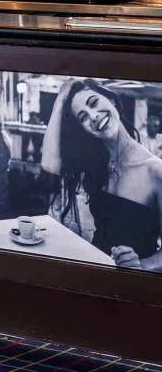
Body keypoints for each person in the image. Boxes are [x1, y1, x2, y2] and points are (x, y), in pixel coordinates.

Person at [42, 79, 162, 270]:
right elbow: (49, 163)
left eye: (94, 103)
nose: (93, 116)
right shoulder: (96, 163)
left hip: (133, 282)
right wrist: (60, 100)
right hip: (95, 269)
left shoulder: (155, 171)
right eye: (83, 117)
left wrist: (142, 264)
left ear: (111, 100)